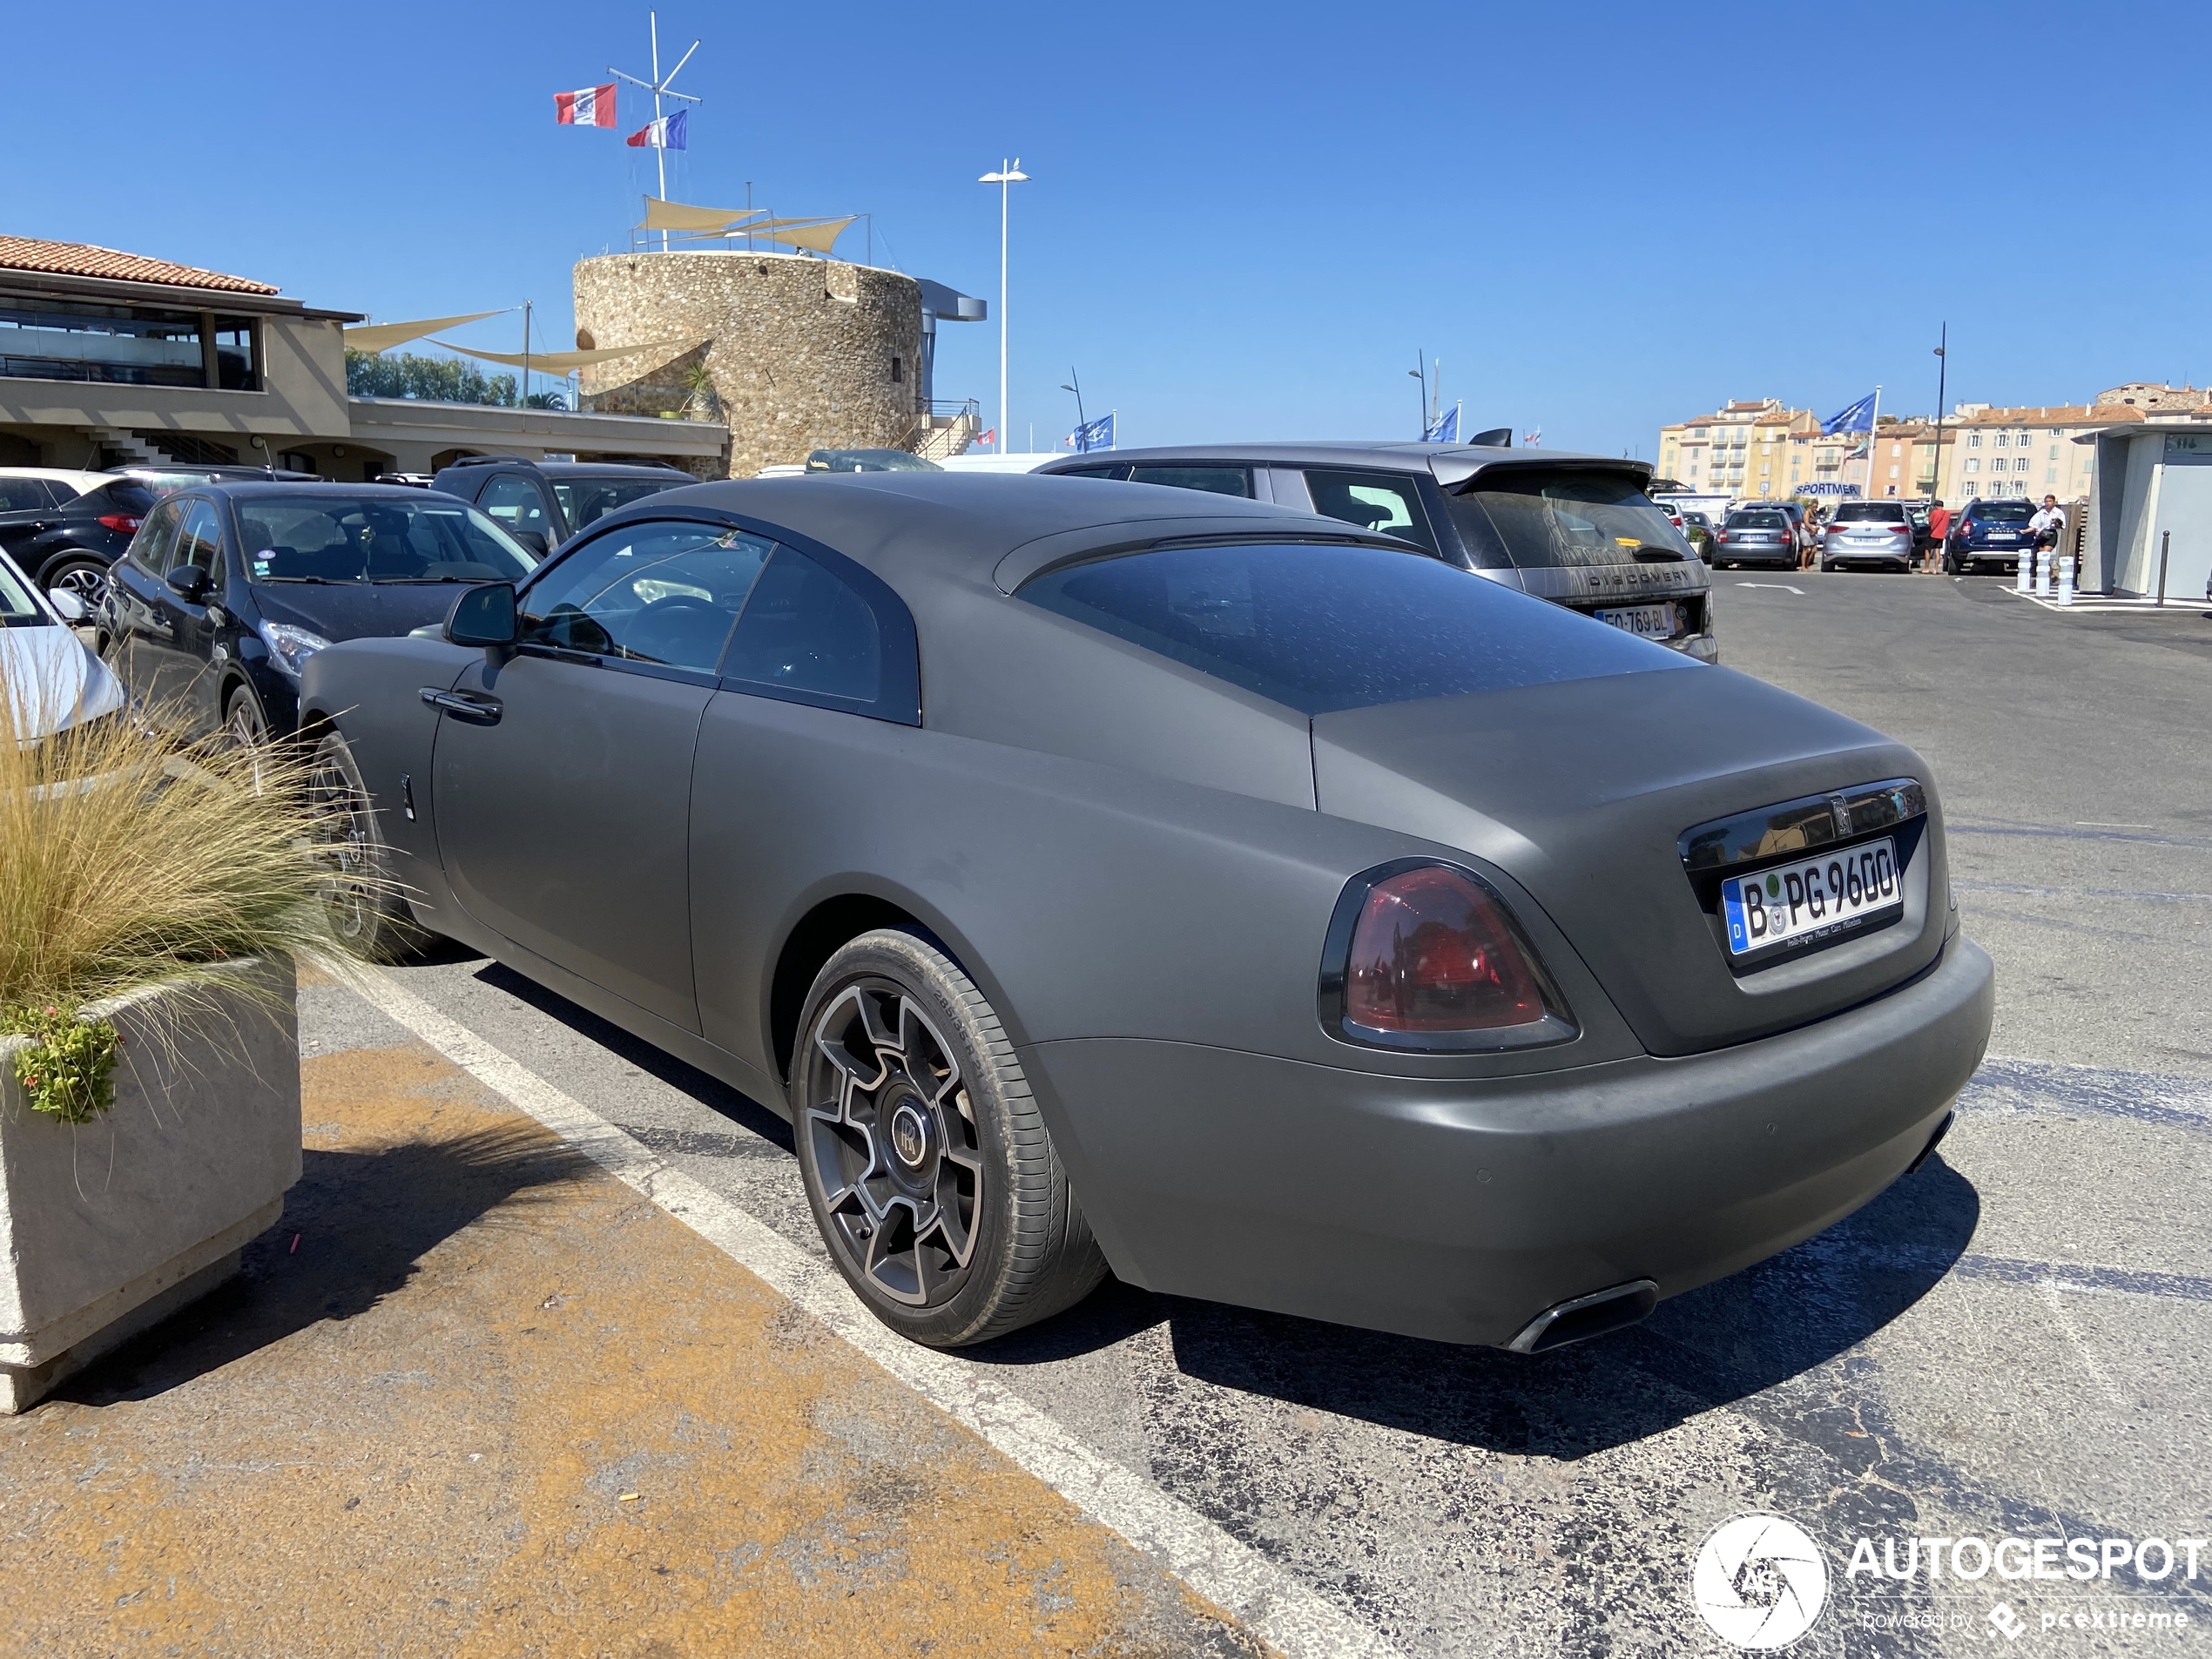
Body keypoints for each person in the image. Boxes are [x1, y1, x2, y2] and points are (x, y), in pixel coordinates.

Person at [2028, 495, 2067, 586]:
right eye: (2046, 501)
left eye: (2050, 501)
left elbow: (2062, 526)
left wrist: (2057, 523)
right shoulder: (2042, 512)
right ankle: (2051, 575)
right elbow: (2033, 524)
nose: (2048, 503)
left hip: (2051, 534)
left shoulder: (2058, 512)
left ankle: (2041, 577)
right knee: (2041, 557)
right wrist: (2025, 531)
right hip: (2042, 535)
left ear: (2054, 502)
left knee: (2044, 554)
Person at [1925, 499, 1951, 574]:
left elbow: (1930, 522)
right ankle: (1935, 569)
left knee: (1927, 550)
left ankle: (1926, 568)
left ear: (1936, 506)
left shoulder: (1934, 512)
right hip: (1941, 535)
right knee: (1938, 552)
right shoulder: (1947, 514)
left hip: (1933, 534)